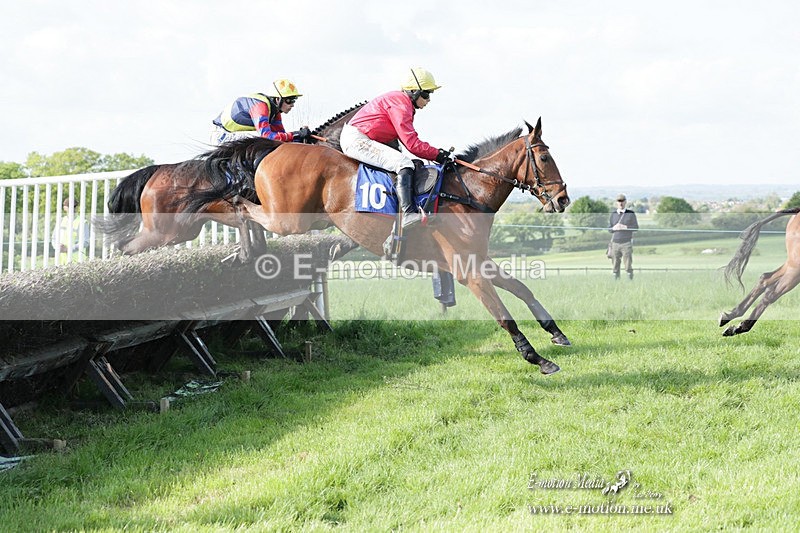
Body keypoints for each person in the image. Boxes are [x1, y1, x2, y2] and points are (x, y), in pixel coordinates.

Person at [340, 67, 454, 229]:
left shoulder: (400, 101)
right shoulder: (401, 103)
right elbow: (412, 144)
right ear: (414, 91)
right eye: (426, 94)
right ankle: (408, 214)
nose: (428, 100)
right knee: (404, 164)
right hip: (357, 139)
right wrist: (438, 155)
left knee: (409, 163)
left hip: (360, 137)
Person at [210, 78, 311, 145]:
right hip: (222, 134)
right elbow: (267, 136)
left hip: (235, 133)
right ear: (277, 99)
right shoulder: (261, 107)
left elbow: (281, 136)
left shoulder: (275, 111)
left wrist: (300, 137)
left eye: (294, 100)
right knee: (259, 142)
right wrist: (295, 134)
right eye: (289, 100)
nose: (292, 104)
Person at [608, 193, 639, 280]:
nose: (620, 203)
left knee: (628, 264)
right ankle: (616, 282)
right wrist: (614, 228)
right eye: (619, 201)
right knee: (615, 265)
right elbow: (609, 229)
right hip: (615, 243)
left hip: (626, 243)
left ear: (625, 202)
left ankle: (630, 281)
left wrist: (625, 227)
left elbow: (636, 228)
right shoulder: (613, 214)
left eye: (622, 201)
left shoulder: (631, 213)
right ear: (616, 203)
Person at [52, 196, 90, 264]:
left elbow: (85, 242)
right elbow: (54, 238)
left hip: (77, 262)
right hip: (61, 261)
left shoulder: (82, 222)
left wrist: (68, 250)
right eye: (69, 206)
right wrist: (57, 246)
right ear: (65, 208)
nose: (73, 208)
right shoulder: (61, 220)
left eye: (74, 206)